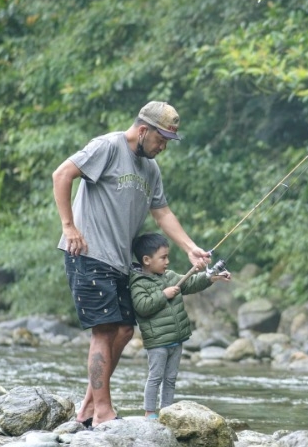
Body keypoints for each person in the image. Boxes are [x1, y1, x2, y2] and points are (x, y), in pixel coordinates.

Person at [52, 101, 212, 428]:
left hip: (121, 262)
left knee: (124, 330)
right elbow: (62, 174)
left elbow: (162, 212)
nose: (164, 146)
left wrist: (191, 248)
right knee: (105, 330)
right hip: (88, 253)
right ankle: (103, 414)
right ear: (143, 131)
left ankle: (86, 410)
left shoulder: (151, 169)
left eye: (168, 140)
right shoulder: (107, 147)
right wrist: (69, 227)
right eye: (161, 139)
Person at [130, 232, 231, 418]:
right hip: (158, 342)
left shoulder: (169, 276)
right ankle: (149, 413)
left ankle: (166, 412)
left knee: (170, 379)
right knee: (155, 377)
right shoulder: (138, 283)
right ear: (146, 260)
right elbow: (142, 307)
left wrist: (211, 277)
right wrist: (164, 295)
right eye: (163, 257)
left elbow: (192, 282)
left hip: (177, 339)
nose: (167, 261)